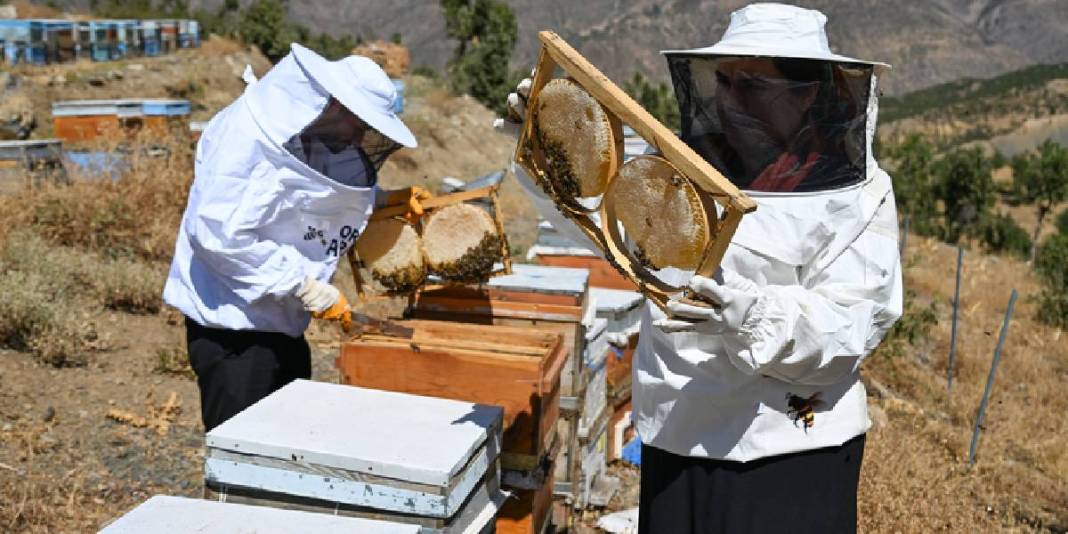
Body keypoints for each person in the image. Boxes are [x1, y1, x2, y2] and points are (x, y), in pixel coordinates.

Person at [496, 3, 901, 532]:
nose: (730, 101)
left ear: (807, 94)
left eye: (753, 86)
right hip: (679, 436)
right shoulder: (686, 165)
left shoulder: (861, 196)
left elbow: (851, 323)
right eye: (724, 82)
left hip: (789, 450)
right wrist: (549, 155)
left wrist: (751, 315)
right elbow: (612, 231)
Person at [163, 44, 416, 432]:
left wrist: (388, 202)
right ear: (337, 106)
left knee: (289, 452)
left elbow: (308, 198)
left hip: (282, 326)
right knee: (243, 462)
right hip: (233, 333)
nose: (362, 134)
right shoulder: (246, 139)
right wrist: (301, 284)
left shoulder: (311, 133)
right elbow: (219, 236)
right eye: (360, 121)